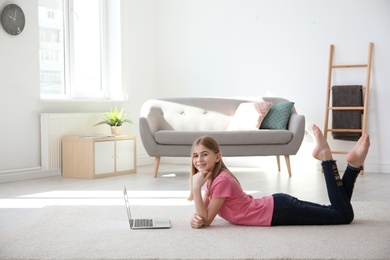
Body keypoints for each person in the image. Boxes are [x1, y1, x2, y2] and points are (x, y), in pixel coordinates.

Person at [188, 124, 370, 228]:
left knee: (342, 216)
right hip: (278, 206)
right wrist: (196, 217)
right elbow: (203, 214)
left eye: (204, 154)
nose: (199, 159)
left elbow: (208, 219)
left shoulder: (222, 180)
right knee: (337, 211)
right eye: (195, 155)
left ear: (217, 156)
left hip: (278, 212)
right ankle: (353, 166)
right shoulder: (212, 179)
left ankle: (326, 158)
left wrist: (195, 189)